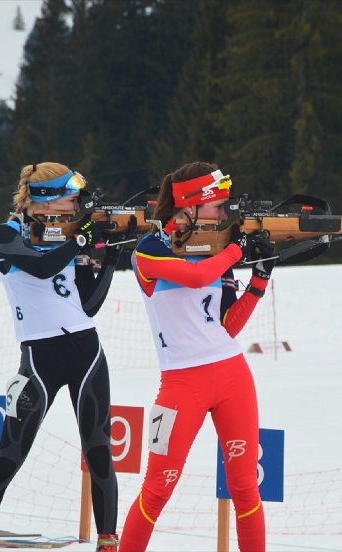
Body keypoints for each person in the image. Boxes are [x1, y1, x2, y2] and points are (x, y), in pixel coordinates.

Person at [0, 162, 122, 552]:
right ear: (46, 198)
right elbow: (41, 266)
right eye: (71, 198)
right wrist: (79, 240)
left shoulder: (67, 233)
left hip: (86, 351)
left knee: (98, 452)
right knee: (10, 455)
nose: (77, 205)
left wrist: (108, 255)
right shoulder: (7, 233)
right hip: (38, 359)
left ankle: (108, 541)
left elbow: (88, 305)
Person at [118, 162, 275, 552]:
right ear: (190, 206)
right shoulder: (150, 250)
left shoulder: (214, 250)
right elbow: (195, 277)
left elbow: (226, 326)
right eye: (218, 207)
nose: (223, 216)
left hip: (232, 374)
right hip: (181, 383)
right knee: (157, 489)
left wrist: (259, 279)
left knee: (245, 487)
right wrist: (237, 250)